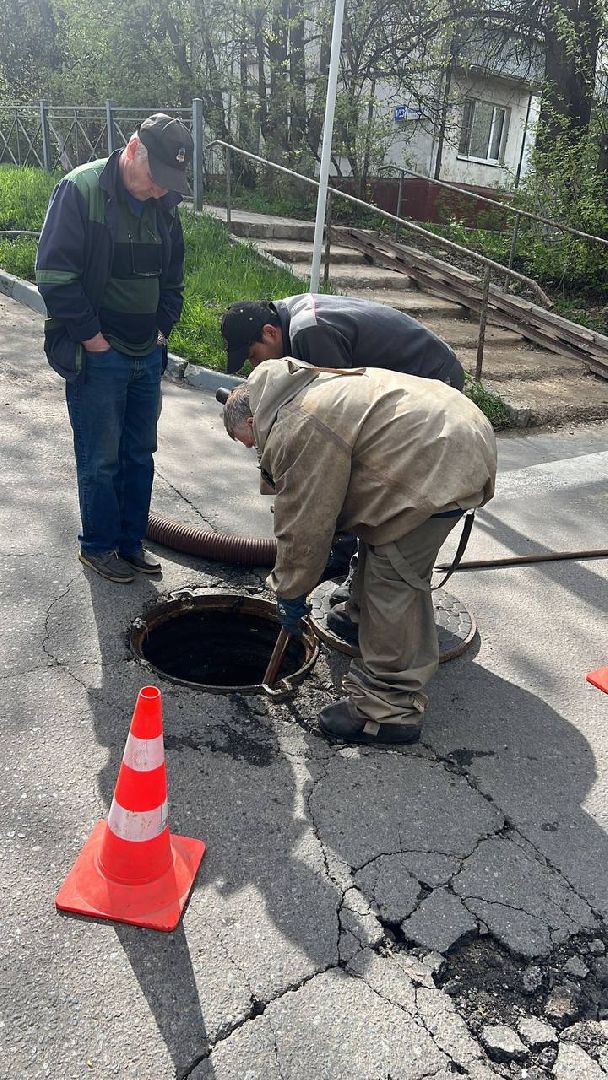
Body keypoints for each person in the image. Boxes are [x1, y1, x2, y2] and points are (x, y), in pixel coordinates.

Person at [221, 359, 496, 746]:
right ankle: (361, 617)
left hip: (441, 458)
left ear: (251, 421)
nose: (252, 449)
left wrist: (290, 589)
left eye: (245, 441)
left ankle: (388, 710)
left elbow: (305, 525)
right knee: (381, 541)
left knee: (393, 580)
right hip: (446, 433)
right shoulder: (303, 389)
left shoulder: (297, 424)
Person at [35, 113, 193, 583]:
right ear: (131, 151)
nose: (159, 190)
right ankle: (99, 546)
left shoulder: (164, 203)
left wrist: (162, 332)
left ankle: (130, 542)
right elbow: (55, 277)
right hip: (100, 354)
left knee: (139, 454)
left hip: (148, 351)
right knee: (100, 457)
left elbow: (175, 279)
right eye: (154, 178)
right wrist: (94, 341)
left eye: (168, 182)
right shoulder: (81, 191)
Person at [220, 293, 465, 389]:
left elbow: (342, 398)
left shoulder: (309, 332)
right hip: (419, 370)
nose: (255, 365)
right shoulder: (287, 310)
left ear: (270, 332)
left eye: (252, 355)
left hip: (433, 373)